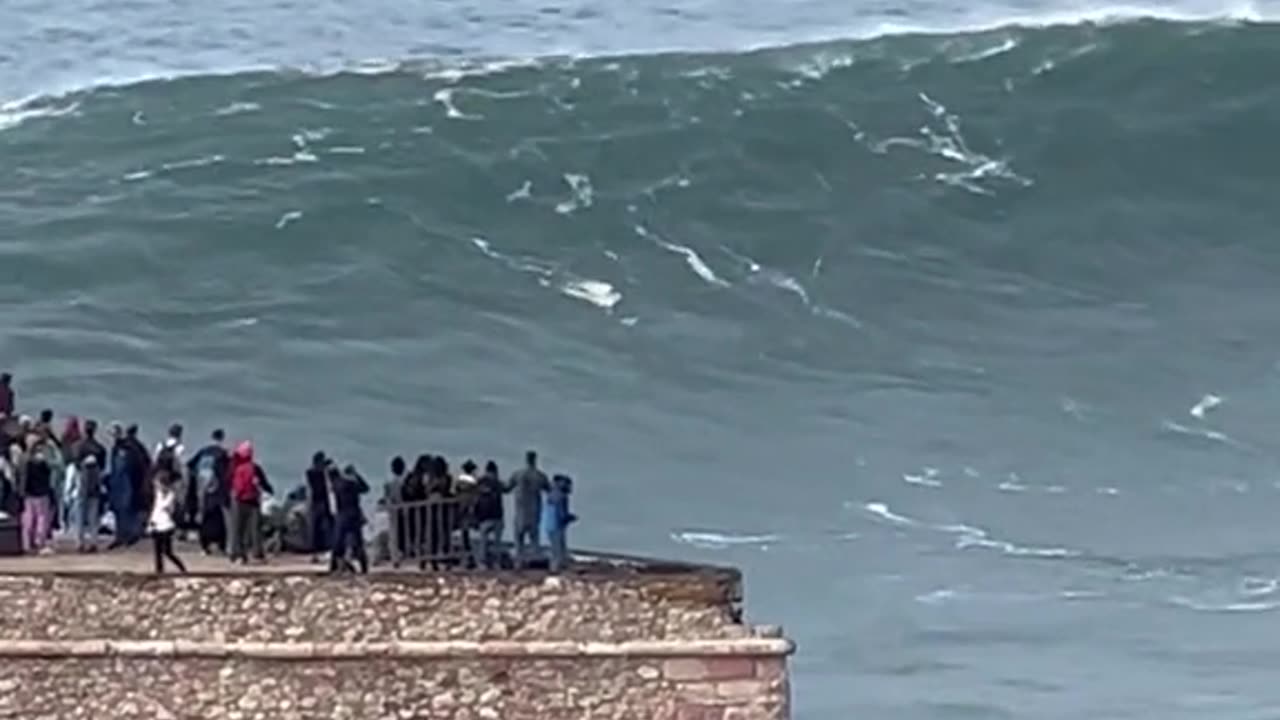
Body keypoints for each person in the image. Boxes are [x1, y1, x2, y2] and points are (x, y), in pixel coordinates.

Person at [228, 441, 272, 564]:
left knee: (237, 529)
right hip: (253, 501)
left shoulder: (235, 467)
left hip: (238, 500)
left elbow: (229, 482)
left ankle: (237, 554)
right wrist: (269, 490)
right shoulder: (255, 467)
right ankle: (257, 553)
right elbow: (265, 484)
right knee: (255, 529)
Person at [187, 429, 230, 554]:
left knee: (205, 520)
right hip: (217, 492)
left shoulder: (204, 451)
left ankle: (204, 546)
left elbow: (190, 465)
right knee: (219, 521)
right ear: (222, 438)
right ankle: (221, 546)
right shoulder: (222, 454)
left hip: (202, 491)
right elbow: (226, 474)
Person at [508, 450, 550, 568]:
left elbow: (507, 488)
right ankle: (533, 562)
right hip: (534, 511)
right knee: (534, 540)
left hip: (521, 510)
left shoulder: (518, 474)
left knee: (518, 540)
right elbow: (549, 490)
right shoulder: (540, 476)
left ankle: (519, 562)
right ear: (535, 460)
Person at [329, 464, 369, 574]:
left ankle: (334, 567)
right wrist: (357, 475)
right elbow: (366, 488)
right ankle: (364, 567)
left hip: (342, 516)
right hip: (354, 515)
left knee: (338, 544)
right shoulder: (352, 483)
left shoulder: (337, 484)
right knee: (358, 542)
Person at [147, 468, 188, 574]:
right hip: (157, 524)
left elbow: (168, 508)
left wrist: (169, 509)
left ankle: (181, 567)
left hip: (167, 525)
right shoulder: (158, 494)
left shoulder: (171, 495)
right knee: (157, 551)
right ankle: (159, 571)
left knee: (167, 551)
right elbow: (156, 510)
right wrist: (151, 523)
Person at [18, 445, 55, 554]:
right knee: (42, 518)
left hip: (29, 494)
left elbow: (24, 479)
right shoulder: (44, 464)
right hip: (42, 494)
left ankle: (27, 544)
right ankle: (39, 541)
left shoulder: (27, 464)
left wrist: (22, 492)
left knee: (28, 519)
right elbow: (48, 477)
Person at [472, 460, 509, 569]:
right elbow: (507, 489)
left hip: (484, 516)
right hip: (497, 516)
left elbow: (475, 498)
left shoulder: (480, 482)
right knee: (497, 542)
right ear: (495, 471)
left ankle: (482, 563)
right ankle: (496, 562)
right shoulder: (498, 483)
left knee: (483, 541)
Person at [304, 452, 334, 562]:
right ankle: (322, 550)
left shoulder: (311, 472)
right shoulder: (317, 473)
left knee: (318, 528)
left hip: (317, 503)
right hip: (320, 502)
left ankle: (317, 552)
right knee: (323, 527)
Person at [545, 474, 577, 573]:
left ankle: (556, 568)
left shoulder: (551, 494)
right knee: (558, 551)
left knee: (555, 549)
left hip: (549, 525)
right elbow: (562, 515)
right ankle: (555, 570)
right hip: (557, 526)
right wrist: (571, 518)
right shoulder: (562, 497)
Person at [76, 455, 103, 552]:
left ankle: (80, 543)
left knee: (80, 521)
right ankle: (93, 542)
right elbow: (99, 484)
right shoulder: (97, 470)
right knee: (93, 520)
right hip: (94, 496)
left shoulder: (81, 468)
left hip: (81, 496)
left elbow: (78, 483)